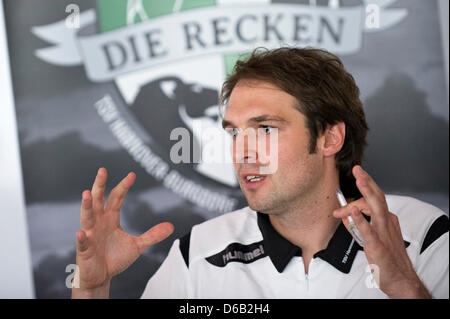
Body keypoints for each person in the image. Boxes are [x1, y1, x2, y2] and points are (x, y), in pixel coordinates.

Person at [71, 47, 449, 299]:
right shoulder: (196, 253)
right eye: (235, 132)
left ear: (329, 137)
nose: (242, 151)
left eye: (265, 128)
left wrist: (405, 288)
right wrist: (91, 289)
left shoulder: (425, 236)